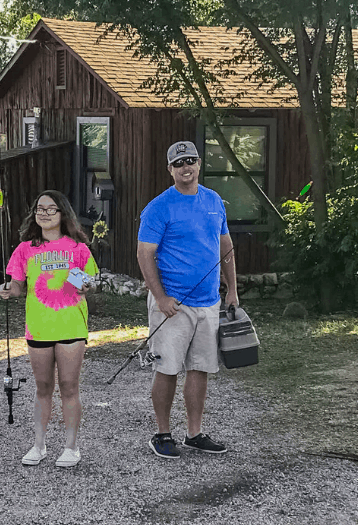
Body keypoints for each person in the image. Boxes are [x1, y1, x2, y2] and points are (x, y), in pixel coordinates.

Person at [137, 140, 239, 459]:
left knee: (200, 368)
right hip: (173, 304)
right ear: (170, 170)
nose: (186, 167)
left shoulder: (213, 202)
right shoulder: (158, 207)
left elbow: (226, 247)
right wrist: (161, 297)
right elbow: (145, 254)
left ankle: (194, 433)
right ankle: (162, 433)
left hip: (208, 301)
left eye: (191, 161)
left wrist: (232, 289)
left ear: (199, 164)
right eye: (179, 163)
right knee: (167, 368)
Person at [0, 190, 99, 468]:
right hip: (39, 328)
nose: (43, 213)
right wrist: (7, 289)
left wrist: (87, 285)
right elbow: (17, 287)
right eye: (39, 209)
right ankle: (39, 445)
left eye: (50, 209)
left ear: (62, 214)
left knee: (69, 386)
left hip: (71, 326)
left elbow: (87, 284)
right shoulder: (25, 250)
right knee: (43, 387)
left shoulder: (78, 248)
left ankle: (71, 447)